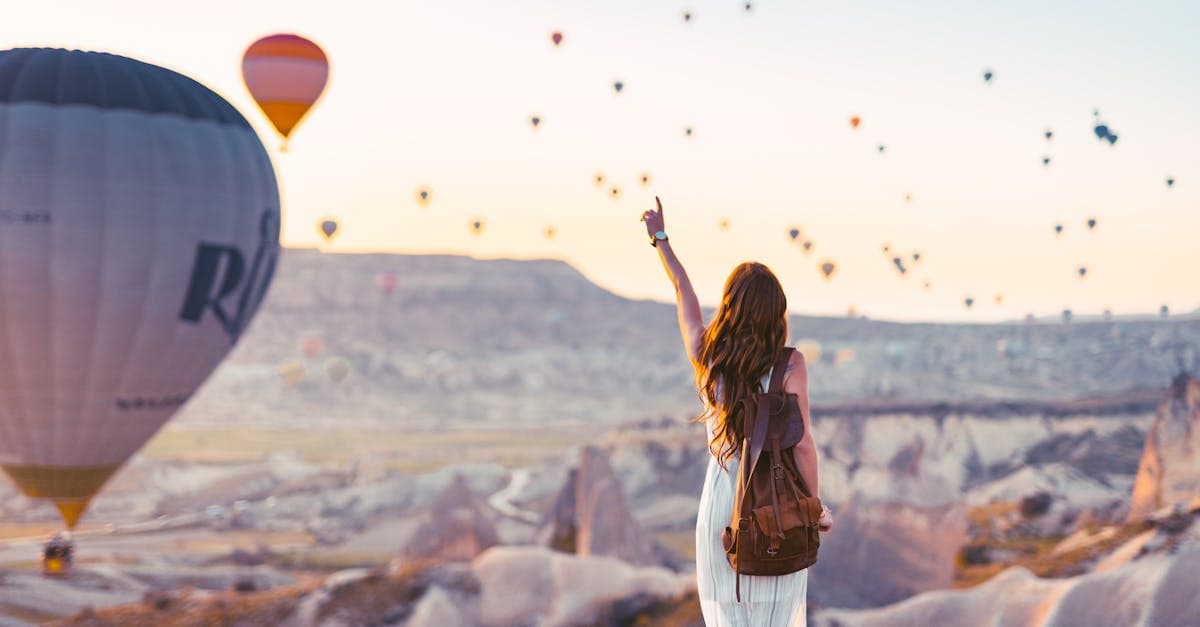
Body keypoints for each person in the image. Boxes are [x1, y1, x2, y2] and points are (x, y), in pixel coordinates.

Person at [642, 197, 832, 626]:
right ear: (775, 314)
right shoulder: (790, 364)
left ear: (730, 307)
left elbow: (682, 290)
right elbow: (802, 446)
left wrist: (661, 240)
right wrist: (814, 508)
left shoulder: (707, 354)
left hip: (721, 508)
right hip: (776, 511)